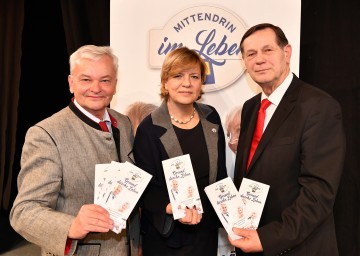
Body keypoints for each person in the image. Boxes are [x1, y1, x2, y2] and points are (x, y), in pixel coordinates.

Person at [10, 45, 140, 256]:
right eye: (86, 79)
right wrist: (71, 226)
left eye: (105, 80)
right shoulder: (46, 134)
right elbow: (24, 212)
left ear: (115, 85)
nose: (96, 88)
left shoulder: (124, 123)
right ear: (71, 83)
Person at [230, 23, 346, 255]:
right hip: (252, 242)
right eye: (251, 54)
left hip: (299, 246)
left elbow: (318, 193)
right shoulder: (251, 108)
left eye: (267, 50)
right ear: (245, 63)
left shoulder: (318, 107)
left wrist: (268, 238)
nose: (259, 59)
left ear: (287, 53)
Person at [132, 46, 228, 256]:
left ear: (201, 82)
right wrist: (172, 207)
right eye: (178, 76)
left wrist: (234, 216)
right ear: (165, 82)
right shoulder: (149, 128)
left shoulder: (212, 118)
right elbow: (145, 189)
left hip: (206, 234)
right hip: (167, 238)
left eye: (194, 76)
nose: (187, 83)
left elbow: (220, 176)